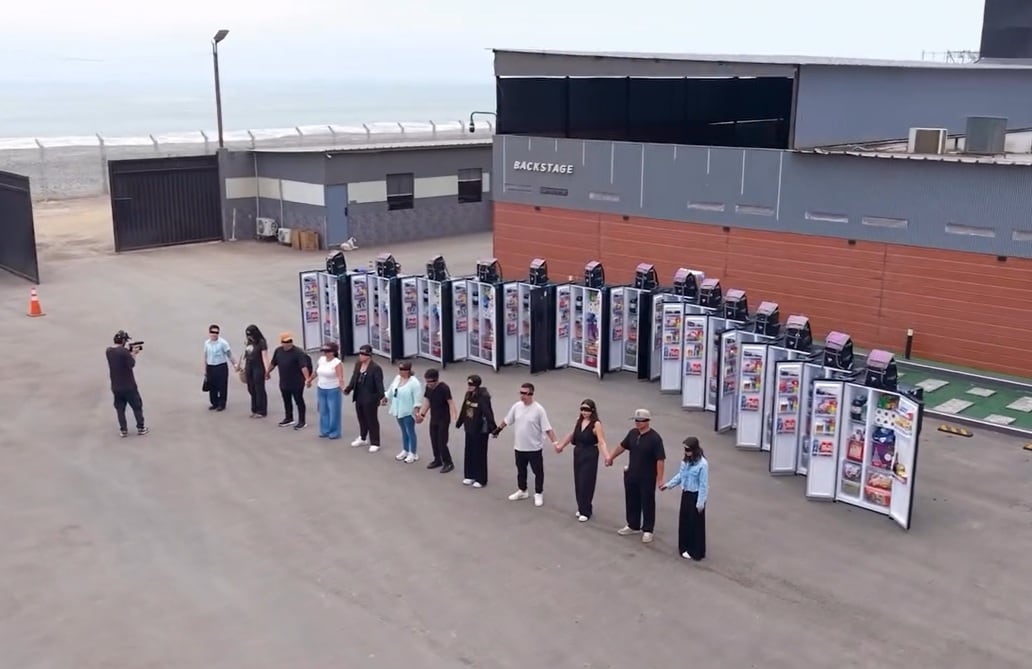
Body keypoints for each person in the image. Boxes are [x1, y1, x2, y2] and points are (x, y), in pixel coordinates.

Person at [606, 408, 666, 544]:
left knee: (647, 502)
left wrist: (660, 478)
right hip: (632, 473)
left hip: (647, 476)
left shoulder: (655, 439)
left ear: (647, 421)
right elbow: (622, 446)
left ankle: (648, 529)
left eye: (641, 421)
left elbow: (660, 459)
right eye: (636, 420)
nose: (638, 423)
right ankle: (633, 525)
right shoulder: (633, 433)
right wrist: (611, 457)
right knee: (632, 499)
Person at [493, 382, 558, 507]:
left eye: (524, 393)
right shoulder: (517, 406)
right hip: (519, 446)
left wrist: (555, 442)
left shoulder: (539, 410)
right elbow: (507, 420)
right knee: (521, 470)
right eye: (520, 393)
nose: (521, 396)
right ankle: (522, 490)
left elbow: (547, 428)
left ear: (531, 394)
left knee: (538, 472)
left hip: (534, 448)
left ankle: (538, 493)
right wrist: (498, 430)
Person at [555, 398, 610, 522]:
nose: (584, 412)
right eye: (582, 409)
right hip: (578, 452)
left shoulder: (596, 424)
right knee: (578, 481)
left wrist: (607, 456)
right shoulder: (579, 421)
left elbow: (601, 441)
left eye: (587, 410)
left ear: (592, 410)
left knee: (587, 482)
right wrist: (561, 445)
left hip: (590, 453)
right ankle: (581, 507)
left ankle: (586, 510)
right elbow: (572, 434)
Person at [661, 436, 709, 561]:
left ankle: (695, 551)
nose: (686, 452)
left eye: (688, 449)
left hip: (696, 495)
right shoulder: (686, 461)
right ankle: (684, 547)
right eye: (685, 449)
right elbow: (680, 476)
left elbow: (703, 485)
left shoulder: (703, 464)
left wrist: (700, 503)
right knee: (685, 521)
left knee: (695, 524)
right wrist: (668, 485)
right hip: (686, 494)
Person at [456, 374, 496, 488]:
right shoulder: (468, 395)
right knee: (469, 452)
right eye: (468, 384)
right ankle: (469, 475)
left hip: (480, 430)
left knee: (479, 454)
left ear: (477, 385)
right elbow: (464, 408)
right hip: (469, 427)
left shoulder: (483, 397)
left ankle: (481, 478)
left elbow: (488, 413)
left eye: (471, 384)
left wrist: (494, 429)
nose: (469, 386)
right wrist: (460, 422)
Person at [266, 332, 312, 430]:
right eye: (286, 342)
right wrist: (267, 372)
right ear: (282, 342)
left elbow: (304, 367)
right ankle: (289, 418)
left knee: (298, 400)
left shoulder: (298, 353)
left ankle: (302, 421)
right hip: (284, 381)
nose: (288, 343)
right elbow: (273, 363)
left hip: (297, 382)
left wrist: (307, 379)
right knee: (286, 400)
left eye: (290, 341)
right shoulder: (278, 351)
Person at [106, 330, 148, 438]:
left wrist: (128, 352)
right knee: (137, 406)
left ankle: (123, 430)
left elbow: (119, 355)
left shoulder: (109, 351)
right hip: (129, 386)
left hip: (116, 386)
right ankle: (141, 427)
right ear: (124, 341)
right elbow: (131, 364)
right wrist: (133, 354)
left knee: (120, 409)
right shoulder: (124, 353)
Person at [344, 344, 385, 452]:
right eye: (360, 354)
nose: (361, 356)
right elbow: (354, 378)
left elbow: (379, 383)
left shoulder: (375, 368)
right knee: (361, 418)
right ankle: (363, 437)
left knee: (372, 420)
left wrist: (382, 396)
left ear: (369, 355)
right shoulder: (358, 365)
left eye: (363, 354)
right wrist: (348, 389)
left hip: (371, 397)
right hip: (359, 395)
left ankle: (375, 442)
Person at [418, 368, 457, 473]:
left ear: (436, 379)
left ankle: (448, 462)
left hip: (443, 419)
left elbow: (450, 402)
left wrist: (454, 416)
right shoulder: (428, 388)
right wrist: (422, 414)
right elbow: (427, 401)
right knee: (434, 440)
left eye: (431, 382)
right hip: (434, 417)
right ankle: (437, 459)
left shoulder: (444, 388)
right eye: (427, 381)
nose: (429, 384)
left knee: (442, 442)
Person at [386, 361, 423, 463]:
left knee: (410, 431)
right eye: (400, 369)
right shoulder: (397, 378)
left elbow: (417, 399)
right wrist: (385, 397)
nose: (401, 372)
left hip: (408, 411)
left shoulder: (414, 383)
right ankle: (405, 450)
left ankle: (413, 453)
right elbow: (390, 390)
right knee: (403, 431)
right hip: (398, 409)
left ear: (409, 371)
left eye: (404, 370)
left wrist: (416, 412)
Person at [315, 341, 346, 439]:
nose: (325, 353)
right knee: (323, 410)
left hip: (333, 389)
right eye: (324, 351)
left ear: (333, 352)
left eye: (327, 351)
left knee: (334, 411)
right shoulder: (321, 360)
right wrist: (309, 380)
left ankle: (334, 432)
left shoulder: (337, 363)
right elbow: (316, 371)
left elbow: (340, 377)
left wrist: (342, 387)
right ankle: (325, 430)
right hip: (321, 388)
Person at [203, 323, 237, 412]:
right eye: (212, 332)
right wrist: (205, 369)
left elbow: (229, 354)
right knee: (212, 386)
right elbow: (205, 357)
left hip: (221, 366)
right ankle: (214, 403)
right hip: (211, 367)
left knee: (222, 386)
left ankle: (222, 404)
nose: (214, 334)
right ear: (209, 333)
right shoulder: (206, 343)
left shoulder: (223, 343)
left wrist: (235, 364)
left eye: (216, 332)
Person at [239, 324, 269, 418]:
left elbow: (265, 357)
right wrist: (241, 365)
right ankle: (254, 408)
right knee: (251, 387)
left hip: (258, 366)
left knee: (259, 388)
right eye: (247, 335)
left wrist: (267, 370)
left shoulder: (261, 342)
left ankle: (262, 410)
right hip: (249, 365)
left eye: (250, 335)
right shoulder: (249, 341)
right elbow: (245, 353)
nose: (249, 337)